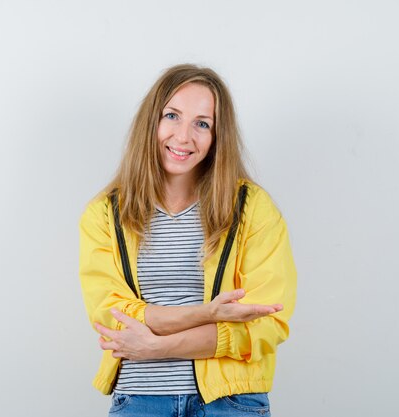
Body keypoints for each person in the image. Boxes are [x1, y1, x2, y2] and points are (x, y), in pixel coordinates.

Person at [78, 64, 297, 416]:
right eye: (172, 115)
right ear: (151, 121)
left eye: (202, 123)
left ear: (216, 137)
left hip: (229, 403)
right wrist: (207, 314)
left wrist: (156, 347)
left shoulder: (252, 208)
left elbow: (267, 324)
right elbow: (114, 315)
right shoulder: (105, 214)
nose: (183, 136)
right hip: (139, 401)